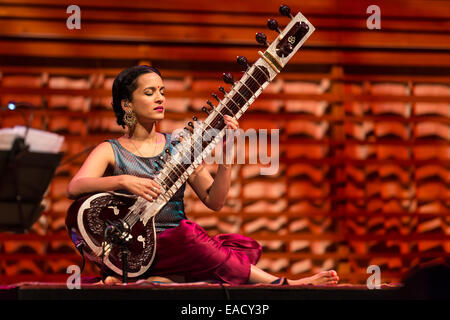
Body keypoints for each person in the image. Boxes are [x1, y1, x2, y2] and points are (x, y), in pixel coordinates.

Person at [66, 65, 339, 286]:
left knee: (242, 247)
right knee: (191, 237)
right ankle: (284, 284)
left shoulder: (178, 147)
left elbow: (214, 201)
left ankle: (161, 280)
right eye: (150, 92)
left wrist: (227, 155)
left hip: (179, 248)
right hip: (135, 249)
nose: (160, 98)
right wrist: (124, 180)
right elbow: (75, 187)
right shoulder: (110, 150)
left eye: (162, 91)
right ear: (127, 104)